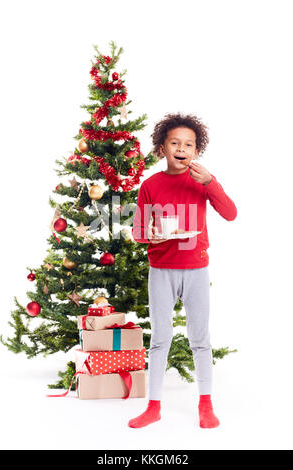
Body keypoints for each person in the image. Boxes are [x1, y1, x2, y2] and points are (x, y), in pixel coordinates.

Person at [129, 112, 237, 428]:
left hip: (195, 269)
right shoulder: (150, 185)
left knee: (200, 340)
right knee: (160, 340)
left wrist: (211, 183)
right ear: (162, 148)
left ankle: (206, 404)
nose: (182, 148)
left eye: (188, 144)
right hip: (161, 269)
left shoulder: (201, 182)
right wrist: (151, 234)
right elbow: (137, 231)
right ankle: (154, 406)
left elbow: (230, 214)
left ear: (196, 151)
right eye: (175, 142)